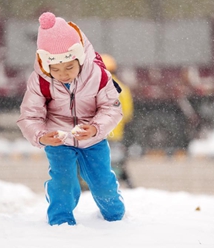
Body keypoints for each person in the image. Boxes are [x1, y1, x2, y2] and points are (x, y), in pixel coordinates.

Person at [17, 12, 125, 226]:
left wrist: (95, 128)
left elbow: (112, 108)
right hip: (58, 140)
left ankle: (116, 217)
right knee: (63, 183)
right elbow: (30, 115)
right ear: (45, 64)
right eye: (55, 69)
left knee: (103, 183)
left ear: (79, 58)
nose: (63, 74)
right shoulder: (40, 81)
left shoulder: (99, 76)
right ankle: (61, 221)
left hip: (93, 139)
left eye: (69, 67)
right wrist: (41, 136)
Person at [101, 54, 134, 188]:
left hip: (96, 134)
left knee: (95, 161)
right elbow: (127, 114)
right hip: (116, 133)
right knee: (115, 161)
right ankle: (122, 183)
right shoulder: (122, 89)